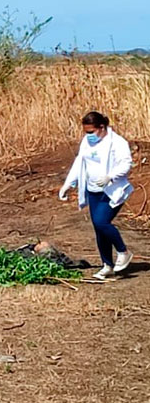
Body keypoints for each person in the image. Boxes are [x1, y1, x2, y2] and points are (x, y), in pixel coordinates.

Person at [59, 111, 134, 280]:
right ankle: (107, 265)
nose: (89, 136)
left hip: (110, 191)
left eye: (91, 132)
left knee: (102, 222)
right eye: (86, 132)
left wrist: (111, 176)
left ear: (102, 127)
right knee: (99, 229)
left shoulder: (117, 143)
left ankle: (124, 252)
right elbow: (80, 162)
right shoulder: (87, 141)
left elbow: (126, 163)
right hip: (92, 190)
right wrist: (69, 183)